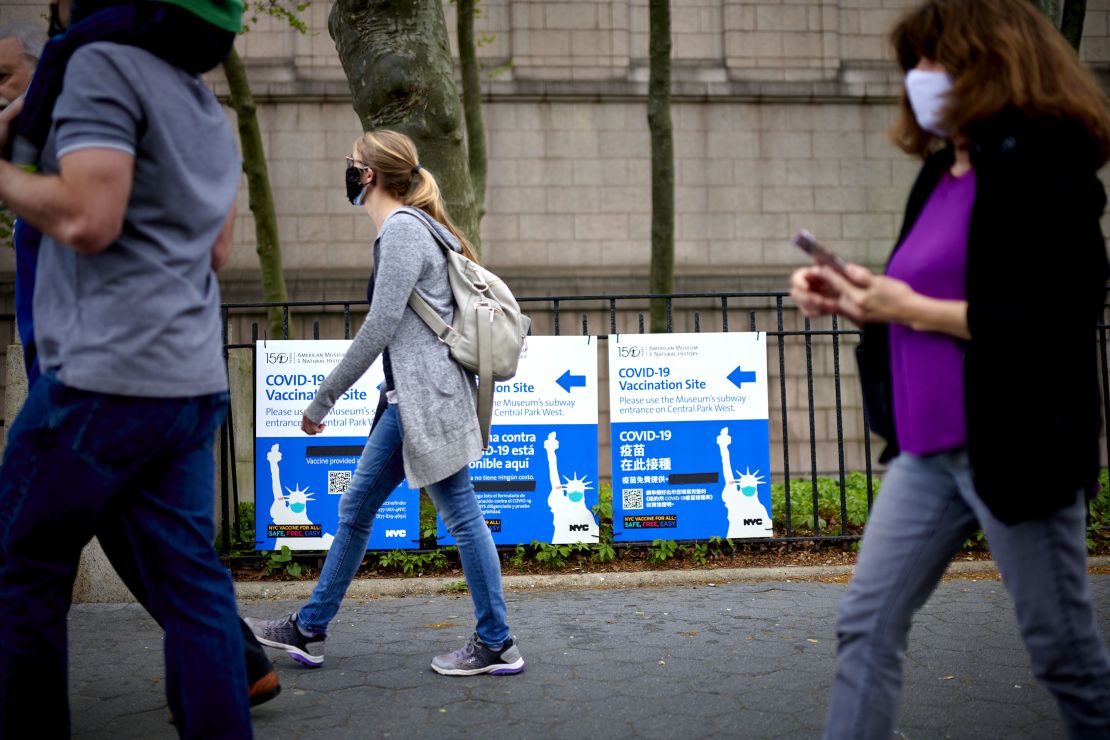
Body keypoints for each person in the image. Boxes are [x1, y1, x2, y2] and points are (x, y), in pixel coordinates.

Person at [790, 1, 1110, 737]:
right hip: (926, 451)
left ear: (991, 63)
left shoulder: (1045, 168)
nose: (919, 78)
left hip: (1017, 448)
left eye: (934, 60)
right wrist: (854, 295)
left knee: (1064, 657)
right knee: (864, 627)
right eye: (915, 63)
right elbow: (920, 294)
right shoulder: (939, 174)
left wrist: (912, 306)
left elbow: (1056, 319)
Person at [0, 0, 281, 716]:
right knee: (194, 591)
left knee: (21, 572)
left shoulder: (96, 67)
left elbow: (88, 217)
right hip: (189, 383)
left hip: (100, 380)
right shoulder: (201, 106)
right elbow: (216, 252)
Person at [246, 129, 526, 677]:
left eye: (352, 163)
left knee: (461, 518)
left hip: (425, 404)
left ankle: (497, 640)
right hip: (413, 402)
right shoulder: (419, 228)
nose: (348, 171)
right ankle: (310, 628)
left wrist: (322, 401)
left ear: (369, 175)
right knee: (358, 510)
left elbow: (379, 327)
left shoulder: (401, 230)